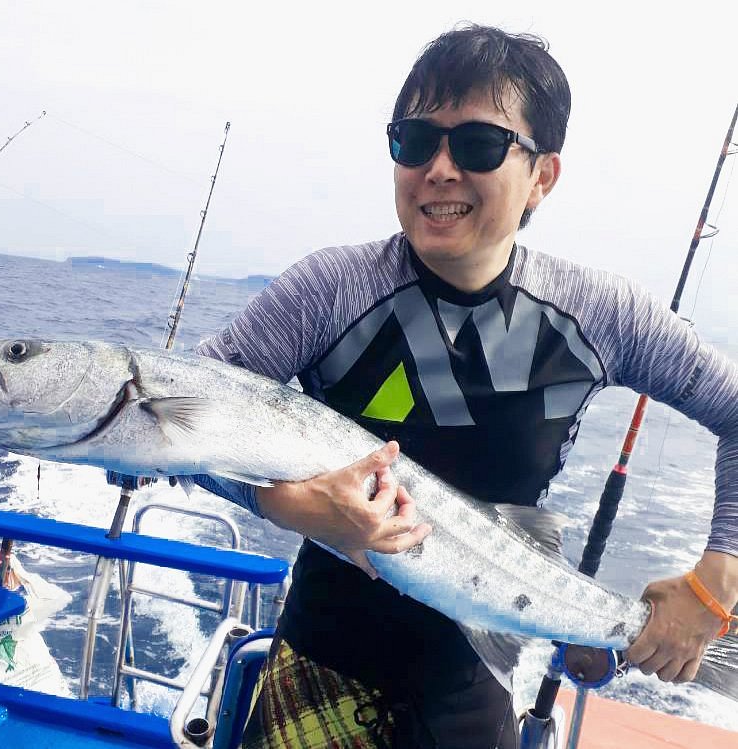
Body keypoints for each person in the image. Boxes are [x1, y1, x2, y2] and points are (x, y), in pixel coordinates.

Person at [195, 24, 738, 749]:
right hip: (317, 680)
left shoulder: (601, 317)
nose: (439, 169)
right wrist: (293, 506)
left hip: (474, 691)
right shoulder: (327, 290)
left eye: (479, 144)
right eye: (415, 141)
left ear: (543, 175)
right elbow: (186, 424)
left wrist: (715, 586)